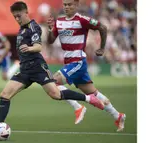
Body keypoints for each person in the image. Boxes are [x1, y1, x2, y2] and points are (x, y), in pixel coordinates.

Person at [0, 1, 105, 137]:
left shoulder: (34, 27)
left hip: (38, 67)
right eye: (15, 17)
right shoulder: (21, 29)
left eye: (19, 16)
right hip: (25, 70)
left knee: (55, 94)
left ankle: (89, 99)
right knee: (4, 95)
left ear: (26, 12)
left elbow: (39, 46)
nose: (17, 19)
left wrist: (29, 48)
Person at [47, 0, 126, 132]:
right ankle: (118, 116)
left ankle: (78, 107)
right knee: (94, 93)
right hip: (69, 62)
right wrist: (50, 29)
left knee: (53, 83)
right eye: (65, 4)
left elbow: (103, 27)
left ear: (76, 5)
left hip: (78, 61)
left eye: (70, 4)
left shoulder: (82, 20)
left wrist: (102, 48)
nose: (67, 7)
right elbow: (50, 41)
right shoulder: (59, 21)